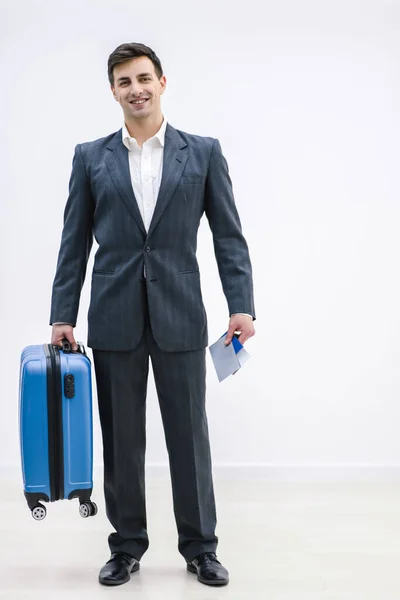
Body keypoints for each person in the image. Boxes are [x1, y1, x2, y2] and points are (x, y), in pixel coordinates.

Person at [50, 42, 256, 588]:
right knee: (121, 440)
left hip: (181, 315)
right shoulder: (91, 157)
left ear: (162, 82)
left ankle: (200, 547)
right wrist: (61, 314)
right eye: (124, 81)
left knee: (190, 437)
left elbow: (228, 236)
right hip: (114, 317)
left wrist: (241, 306)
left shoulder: (203, 152)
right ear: (113, 90)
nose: (135, 88)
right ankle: (127, 547)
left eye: (144, 77)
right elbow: (73, 243)